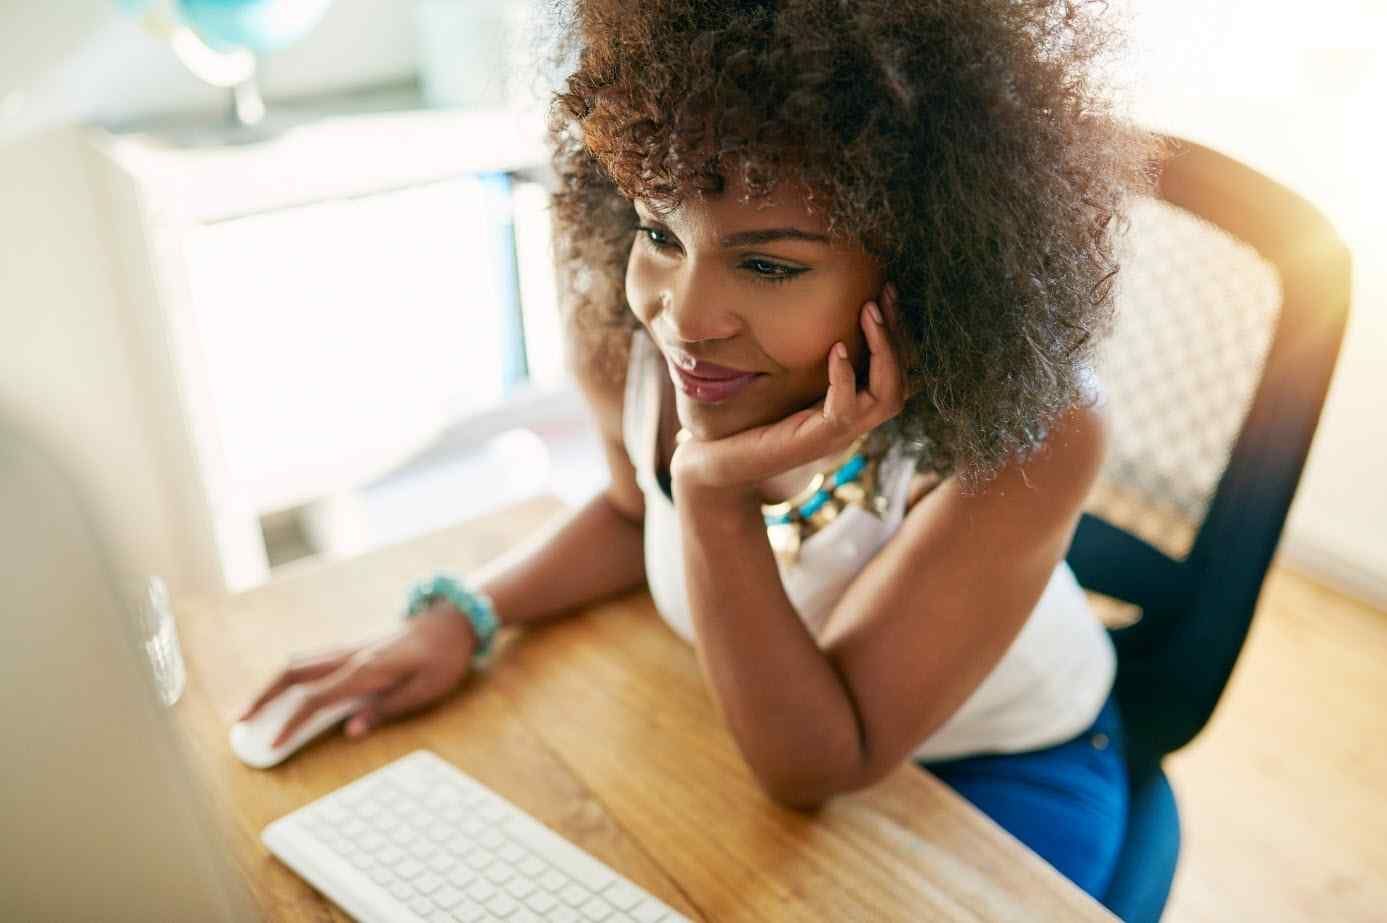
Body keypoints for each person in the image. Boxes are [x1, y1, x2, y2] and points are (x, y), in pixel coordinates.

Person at [240, 0, 1160, 903]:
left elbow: (815, 760)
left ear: (920, 265)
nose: (682, 315)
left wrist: (714, 486)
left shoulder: (1033, 439)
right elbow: (633, 515)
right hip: (736, 718)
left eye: (768, 265)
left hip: (998, 782)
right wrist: (466, 615)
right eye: (658, 232)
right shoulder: (622, 337)